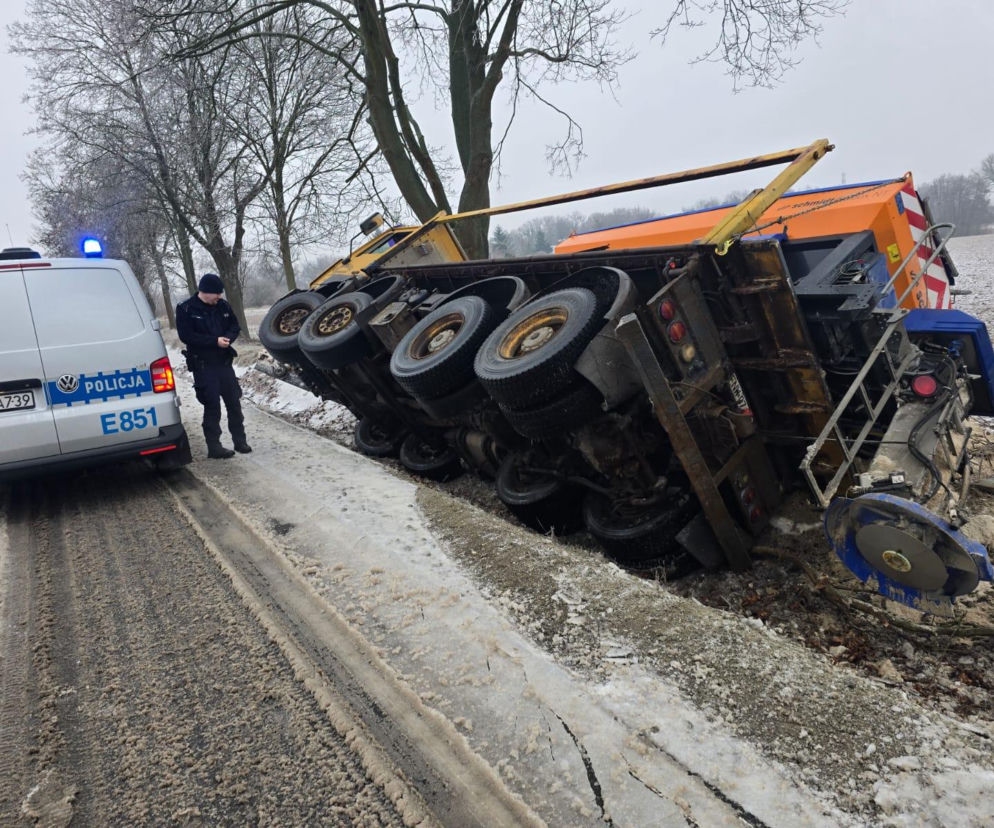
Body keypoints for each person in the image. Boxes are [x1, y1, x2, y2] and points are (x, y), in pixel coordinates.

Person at [176, 273, 251, 459]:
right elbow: (187, 336)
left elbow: (235, 326)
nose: (219, 296)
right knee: (212, 406)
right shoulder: (186, 309)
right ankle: (214, 447)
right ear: (205, 291)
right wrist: (214, 341)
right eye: (217, 293)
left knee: (234, 403)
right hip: (204, 366)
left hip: (224, 363)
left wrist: (227, 338)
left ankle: (240, 441)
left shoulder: (223, 306)